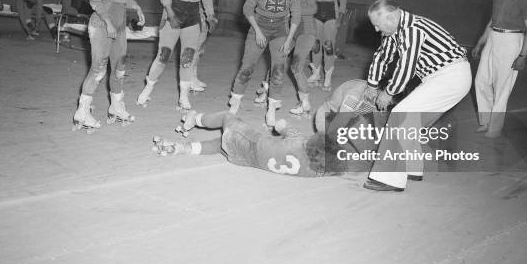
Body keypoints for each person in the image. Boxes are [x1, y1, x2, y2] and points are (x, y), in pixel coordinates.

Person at [159, 79, 386, 177]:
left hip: (254, 145)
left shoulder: (300, 143)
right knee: (223, 146)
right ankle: (186, 148)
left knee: (228, 119)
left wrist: (281, 127)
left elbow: (286, 128)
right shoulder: (317, 171)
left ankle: (195, 118)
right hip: (247, 161)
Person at [362, 0, 471, 192]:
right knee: (411, 121)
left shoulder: (413, 28)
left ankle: (389, 179)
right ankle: (413, 169)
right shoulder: (395, 31)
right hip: (439, 77)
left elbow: (407, 66)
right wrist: (371, 84)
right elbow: (382, 56)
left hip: (451, 76)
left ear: (391, 16)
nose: (377, 30)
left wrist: (388, 92)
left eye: (377, 25)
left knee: (401, 114)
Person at [72, 0, 146, 132]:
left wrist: (136, 7)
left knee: (119, 68)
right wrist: (107, 22)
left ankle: (116, 106)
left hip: (119, 24)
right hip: (102, 24)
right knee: (98, 70)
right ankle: (82, 111)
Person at [137, 0, 217, 110]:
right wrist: (171, 15)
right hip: (173, 16)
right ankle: (147, 89)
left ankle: (183, 96)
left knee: (187, 58)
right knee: (163, 55)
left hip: (192, 19)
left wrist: (210, 15)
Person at [227, 0, 301, 128]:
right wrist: (258, 32)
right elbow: (247, 9)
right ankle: (234, 105)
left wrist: (289, 40)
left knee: (278, 70)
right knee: (247, 68)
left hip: (280, 31)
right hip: (258, 28)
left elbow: (296, 15)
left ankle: (272, 110)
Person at [472, 0, 527, 138]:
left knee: (502, 86)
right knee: (481, 81)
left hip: (512, 41)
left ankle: (495, 127)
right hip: (493, 37)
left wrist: (523, 55)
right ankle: (485, 122)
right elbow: (491, 22)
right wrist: (480, 42)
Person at [253, 0, 317, 116]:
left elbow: (314, 8)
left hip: (306, 30)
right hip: (290, 30)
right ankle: (267, 91)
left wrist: (293, 11)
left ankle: (304, 103)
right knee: (277, 59)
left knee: (296, 66)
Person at [308, 0, 347, 91]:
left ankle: (328, 78)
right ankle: (316, 73)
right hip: (317, 16)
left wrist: (340, 18)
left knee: (328, 46)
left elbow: (343, 0)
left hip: (331, 16)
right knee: (316, 45)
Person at [190, 0, 226, 92]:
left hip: (204, 15)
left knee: (199, 48)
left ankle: (193, 76)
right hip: (198, 16)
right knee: (194, 48)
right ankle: (189, 78)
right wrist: (203, 16)